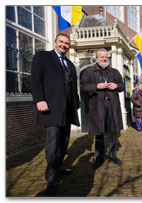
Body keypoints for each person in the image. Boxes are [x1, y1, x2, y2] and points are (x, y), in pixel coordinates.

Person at [31, 33, 80, 195]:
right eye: (61, 42)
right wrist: (39, 99)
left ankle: (58, 169)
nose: (64, 45)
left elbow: (73, 87)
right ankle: (52, 179)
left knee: (64, 143)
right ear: (55, 42)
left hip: (67, 111)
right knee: (52, 146)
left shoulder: (70, 65)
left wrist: (76, 103)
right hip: (51, 109)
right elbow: (35, 80)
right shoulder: (43, 57)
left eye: (67, 43)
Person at [80, 48, 124, 168]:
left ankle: (112, 155)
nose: (104, 59)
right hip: (97, 106)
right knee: (98, 132)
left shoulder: (114, 72)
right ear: (96, 58)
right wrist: (96, 86)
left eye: (106, 57)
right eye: (102, 57)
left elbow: (122, 86)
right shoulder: (89, 71)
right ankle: (99, 157)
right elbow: (83, 86)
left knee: (112, 131)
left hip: (112, 105)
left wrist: (116, 85)